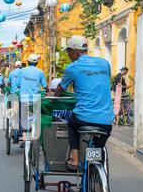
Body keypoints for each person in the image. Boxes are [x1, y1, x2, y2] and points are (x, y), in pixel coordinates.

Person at [51, 35, 114, 170]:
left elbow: (61, 88)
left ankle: (75, 158)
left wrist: (53, 96)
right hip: (106, 119)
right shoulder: (104, 63)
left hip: (83, 118)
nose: (68, 55)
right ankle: (98, 177)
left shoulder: (73, 67)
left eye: (68, 52)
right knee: (98, 148)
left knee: (72, 125)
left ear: (74, 51)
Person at [17, 54, 48, 146]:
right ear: (36, 63)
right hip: (36, 99)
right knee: (37, 117)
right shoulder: (40, 72)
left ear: (27, 62)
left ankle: (24, 139)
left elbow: (18, 84)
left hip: (24, 99)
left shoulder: (21, 71)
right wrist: (49, 92)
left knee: (23, 118)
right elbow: (45, 86)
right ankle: (37, 137)